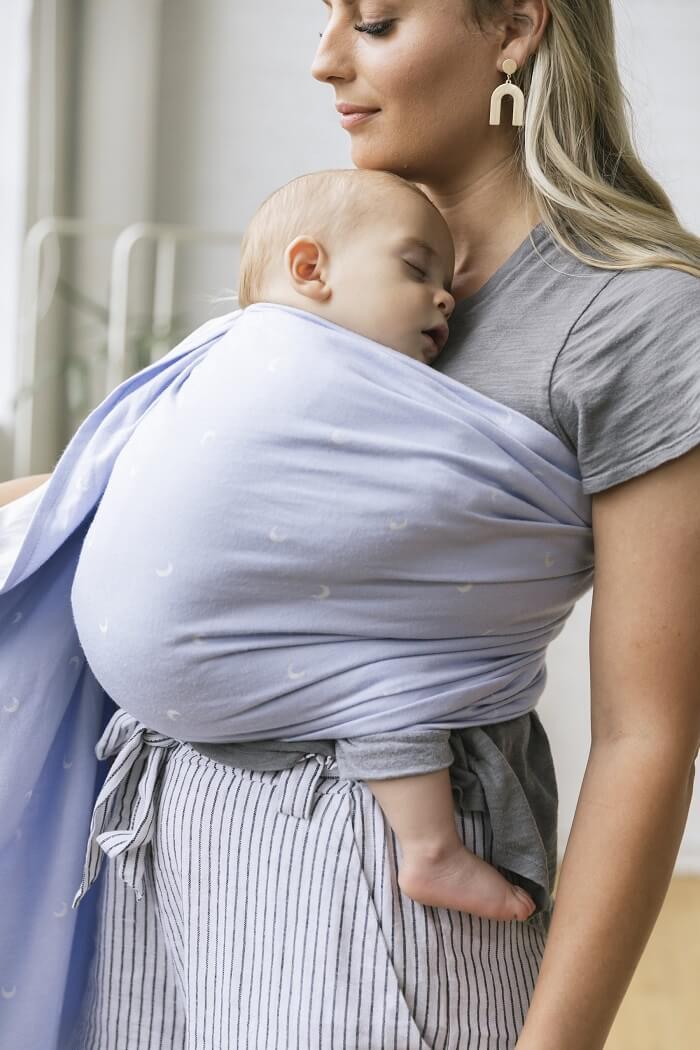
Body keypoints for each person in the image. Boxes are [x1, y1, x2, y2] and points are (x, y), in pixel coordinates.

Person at [1, 1, 698, 1048]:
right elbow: (171, 485)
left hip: (371, 867)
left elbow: (645, 733)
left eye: (372, 21)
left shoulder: (629, 319)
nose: (324, 59)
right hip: (157, 845)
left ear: (512, 29)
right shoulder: (333, 262)